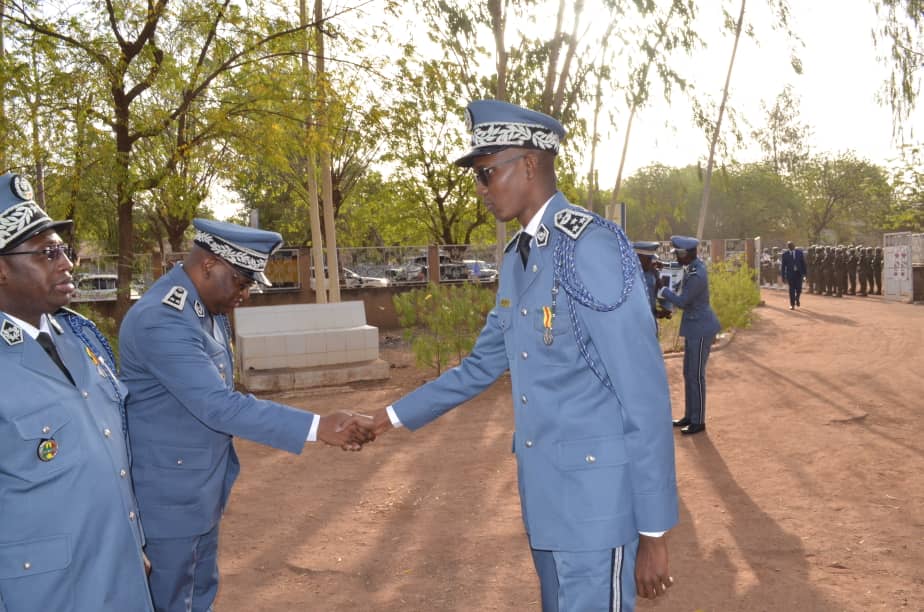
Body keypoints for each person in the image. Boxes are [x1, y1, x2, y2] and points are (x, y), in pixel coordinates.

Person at [369, 100, 678, 611]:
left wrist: (654, 531)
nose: (481, 190)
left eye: (488, 174)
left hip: (599, 510)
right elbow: (480, 366)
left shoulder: (591, 247)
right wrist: (389, 417)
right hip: (549, 503)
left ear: (530, 165)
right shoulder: (518, 256)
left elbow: (642, 394)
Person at [119, 218, 375, 612]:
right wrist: (317, 426)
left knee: (199, 592)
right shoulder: (163, 318)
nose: (247, 294)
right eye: (241, 282)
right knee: (170, 599)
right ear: (208, 266)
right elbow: (218, 405)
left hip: (200, 489)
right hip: (168, 501)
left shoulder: (207, 309)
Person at [0, 172, 155, 611]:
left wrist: (133, 544)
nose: (66, 262)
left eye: (63, 250)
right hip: (42, 593)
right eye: (48, 253)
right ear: (1, 270)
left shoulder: (82, 336)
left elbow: (110, 452)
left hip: (119, 573)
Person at [658, 236, 721, 435]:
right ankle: (690, 415)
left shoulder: (697, 274)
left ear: (686, 254)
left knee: (696, 375)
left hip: (701, 328)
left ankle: (698, 420)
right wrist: (663, 267)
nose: (677, 256)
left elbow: (683, 301)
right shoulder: (692, 267)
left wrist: (663, 291)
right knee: (689, 373)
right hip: (695, 328)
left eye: (678, 254)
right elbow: (676, 269)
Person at [780, 241, 807, 309]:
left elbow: (803, 264)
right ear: (788, 247)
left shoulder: (799, 253)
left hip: (798, 274)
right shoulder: (785, 254)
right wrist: (783, 277)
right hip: (790, 274)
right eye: (790, 245)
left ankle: (797, 298)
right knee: (791, 290)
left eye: (792, 245)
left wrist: (805, 274)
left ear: (794, 246)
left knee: (799, 289)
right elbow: (783, 267)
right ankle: (792, 304)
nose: (791, 246)